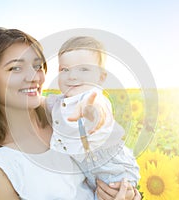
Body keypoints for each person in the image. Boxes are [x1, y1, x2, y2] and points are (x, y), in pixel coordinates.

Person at [0, 27, 141, 200]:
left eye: (37, 66)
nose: (34, 77)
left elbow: (95, 105)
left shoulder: (59, 117)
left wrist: (127, 194)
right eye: (15, 68)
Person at [44, 36, 140, 198]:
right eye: (64, 69)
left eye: (83, 69)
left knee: (114, 194)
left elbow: (98, 109)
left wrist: (90, 111)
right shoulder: (59, 102)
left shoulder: (95, 98)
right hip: (87, 174)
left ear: (101, 78)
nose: (72, 76)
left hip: (114, 171)